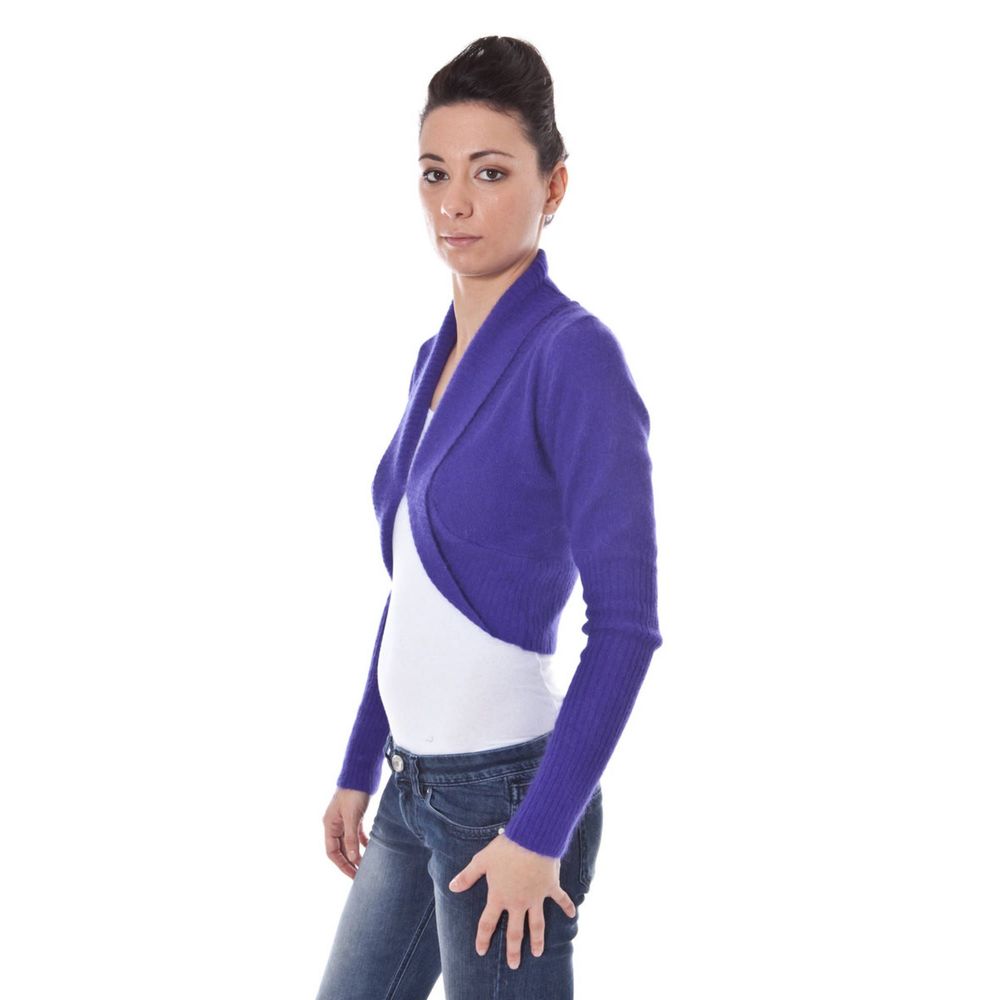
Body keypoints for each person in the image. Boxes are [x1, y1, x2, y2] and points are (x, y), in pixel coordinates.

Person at [314, 35, 662, 1000]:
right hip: (413, 787)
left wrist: (539, 833)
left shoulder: (574, 355)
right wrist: (359, 762)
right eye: (435, 172)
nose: (454, 203)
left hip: (507, 801)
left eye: (490, 172)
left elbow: (627, 626)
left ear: (555, 187)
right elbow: (413, 590)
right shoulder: (431, 360)